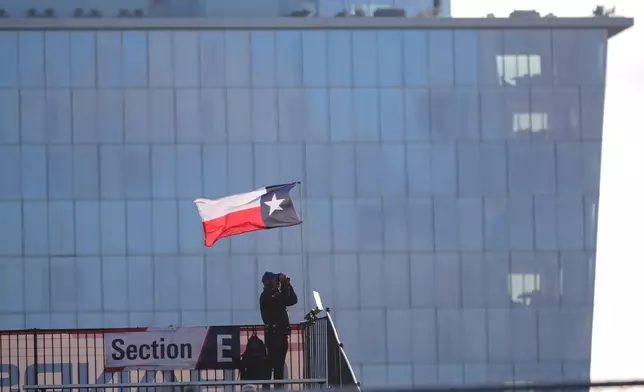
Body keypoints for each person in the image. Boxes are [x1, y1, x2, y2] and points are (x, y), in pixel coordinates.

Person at [259, 272, 298, 383]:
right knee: (271, 367)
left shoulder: (275, 294)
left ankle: (278, 388)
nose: (277, 282)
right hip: (273, 337)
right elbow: (281, 298)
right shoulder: (266, 295)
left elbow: (292, 300)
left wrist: (287, 284)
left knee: (279, 369)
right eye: (274, 280)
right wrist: (284, 283)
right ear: (268, 282)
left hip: (281, 336)